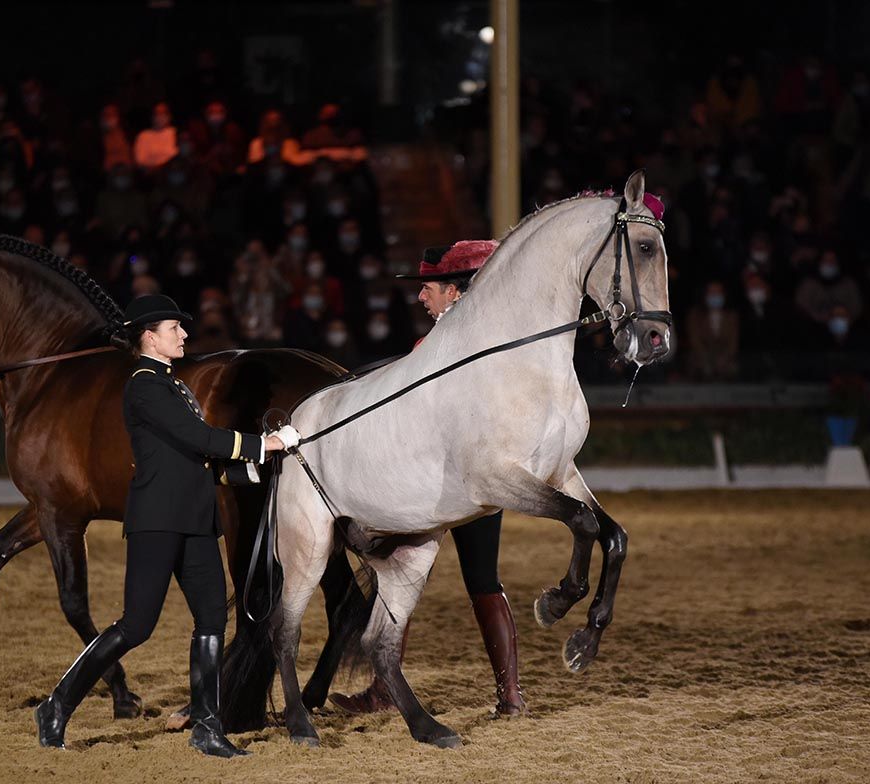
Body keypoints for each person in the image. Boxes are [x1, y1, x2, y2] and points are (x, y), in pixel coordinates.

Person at [35, 294, 299, 757]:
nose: (184, 335)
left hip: (195, 520)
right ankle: (57, 705)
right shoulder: (143, 384)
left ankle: (207, 726)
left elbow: (195, 457)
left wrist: (253, 467)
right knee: (137, 625)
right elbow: (198, 438)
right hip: (157, 522)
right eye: (174, 328)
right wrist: (265, 444)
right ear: (148, 337)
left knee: (213, 617)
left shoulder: (172, 385)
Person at [329, 241, 526, 717]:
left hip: (436, 487)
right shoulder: (488, 342)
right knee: (483, 581)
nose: (421, 297)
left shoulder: (440, 347)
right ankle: (510, 696)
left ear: (455, 293)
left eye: (429, 289)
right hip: (478, 487)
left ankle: (382, 692)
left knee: (400, 576)